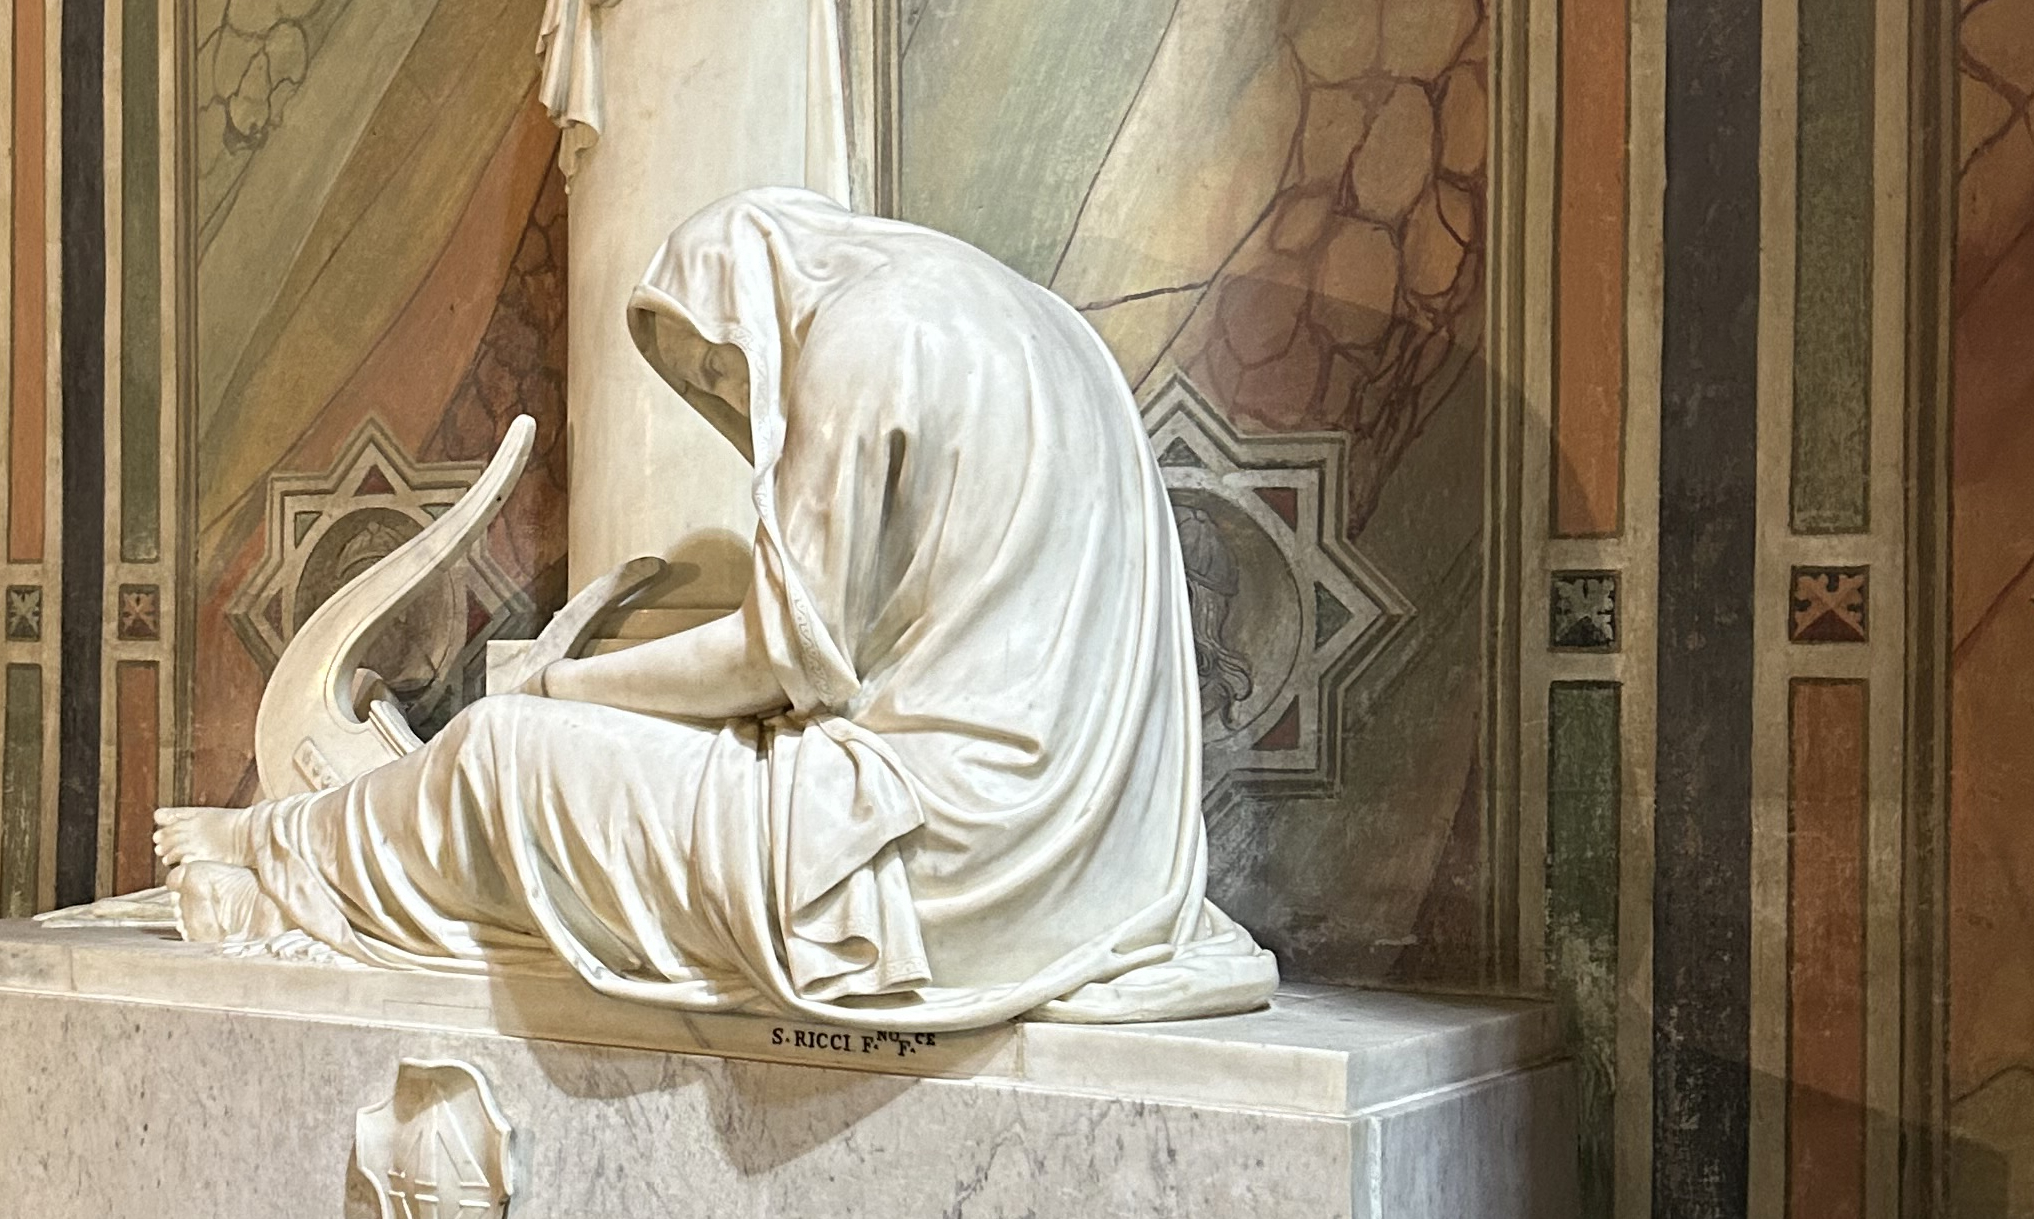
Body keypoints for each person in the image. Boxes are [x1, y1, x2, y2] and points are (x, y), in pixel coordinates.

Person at [151, 187, 1275, 1030]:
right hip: (1091, 862)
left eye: (721, 373)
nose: (734, 404)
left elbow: (786, 653)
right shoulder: (1047, 330)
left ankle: (278, 847)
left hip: (931, 863)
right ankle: (315, 847)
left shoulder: (865, 333)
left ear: (754, 290)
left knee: (504, 752)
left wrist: (564, 681)